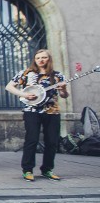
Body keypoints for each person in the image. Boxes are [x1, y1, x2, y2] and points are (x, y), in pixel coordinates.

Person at [5, 49, 68, 182]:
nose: (41, 60)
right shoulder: (27, 73)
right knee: (32, 139)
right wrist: (24, 95)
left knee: (52, 141)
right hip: (31, 111)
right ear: (35, 59)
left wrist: (63, 89)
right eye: (38, 58)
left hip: (52, 111)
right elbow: (9, 87)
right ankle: (27, 170)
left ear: (49, 59)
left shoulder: (57, 75)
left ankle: (47, 169)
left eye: (44, 57)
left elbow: (64, 96)